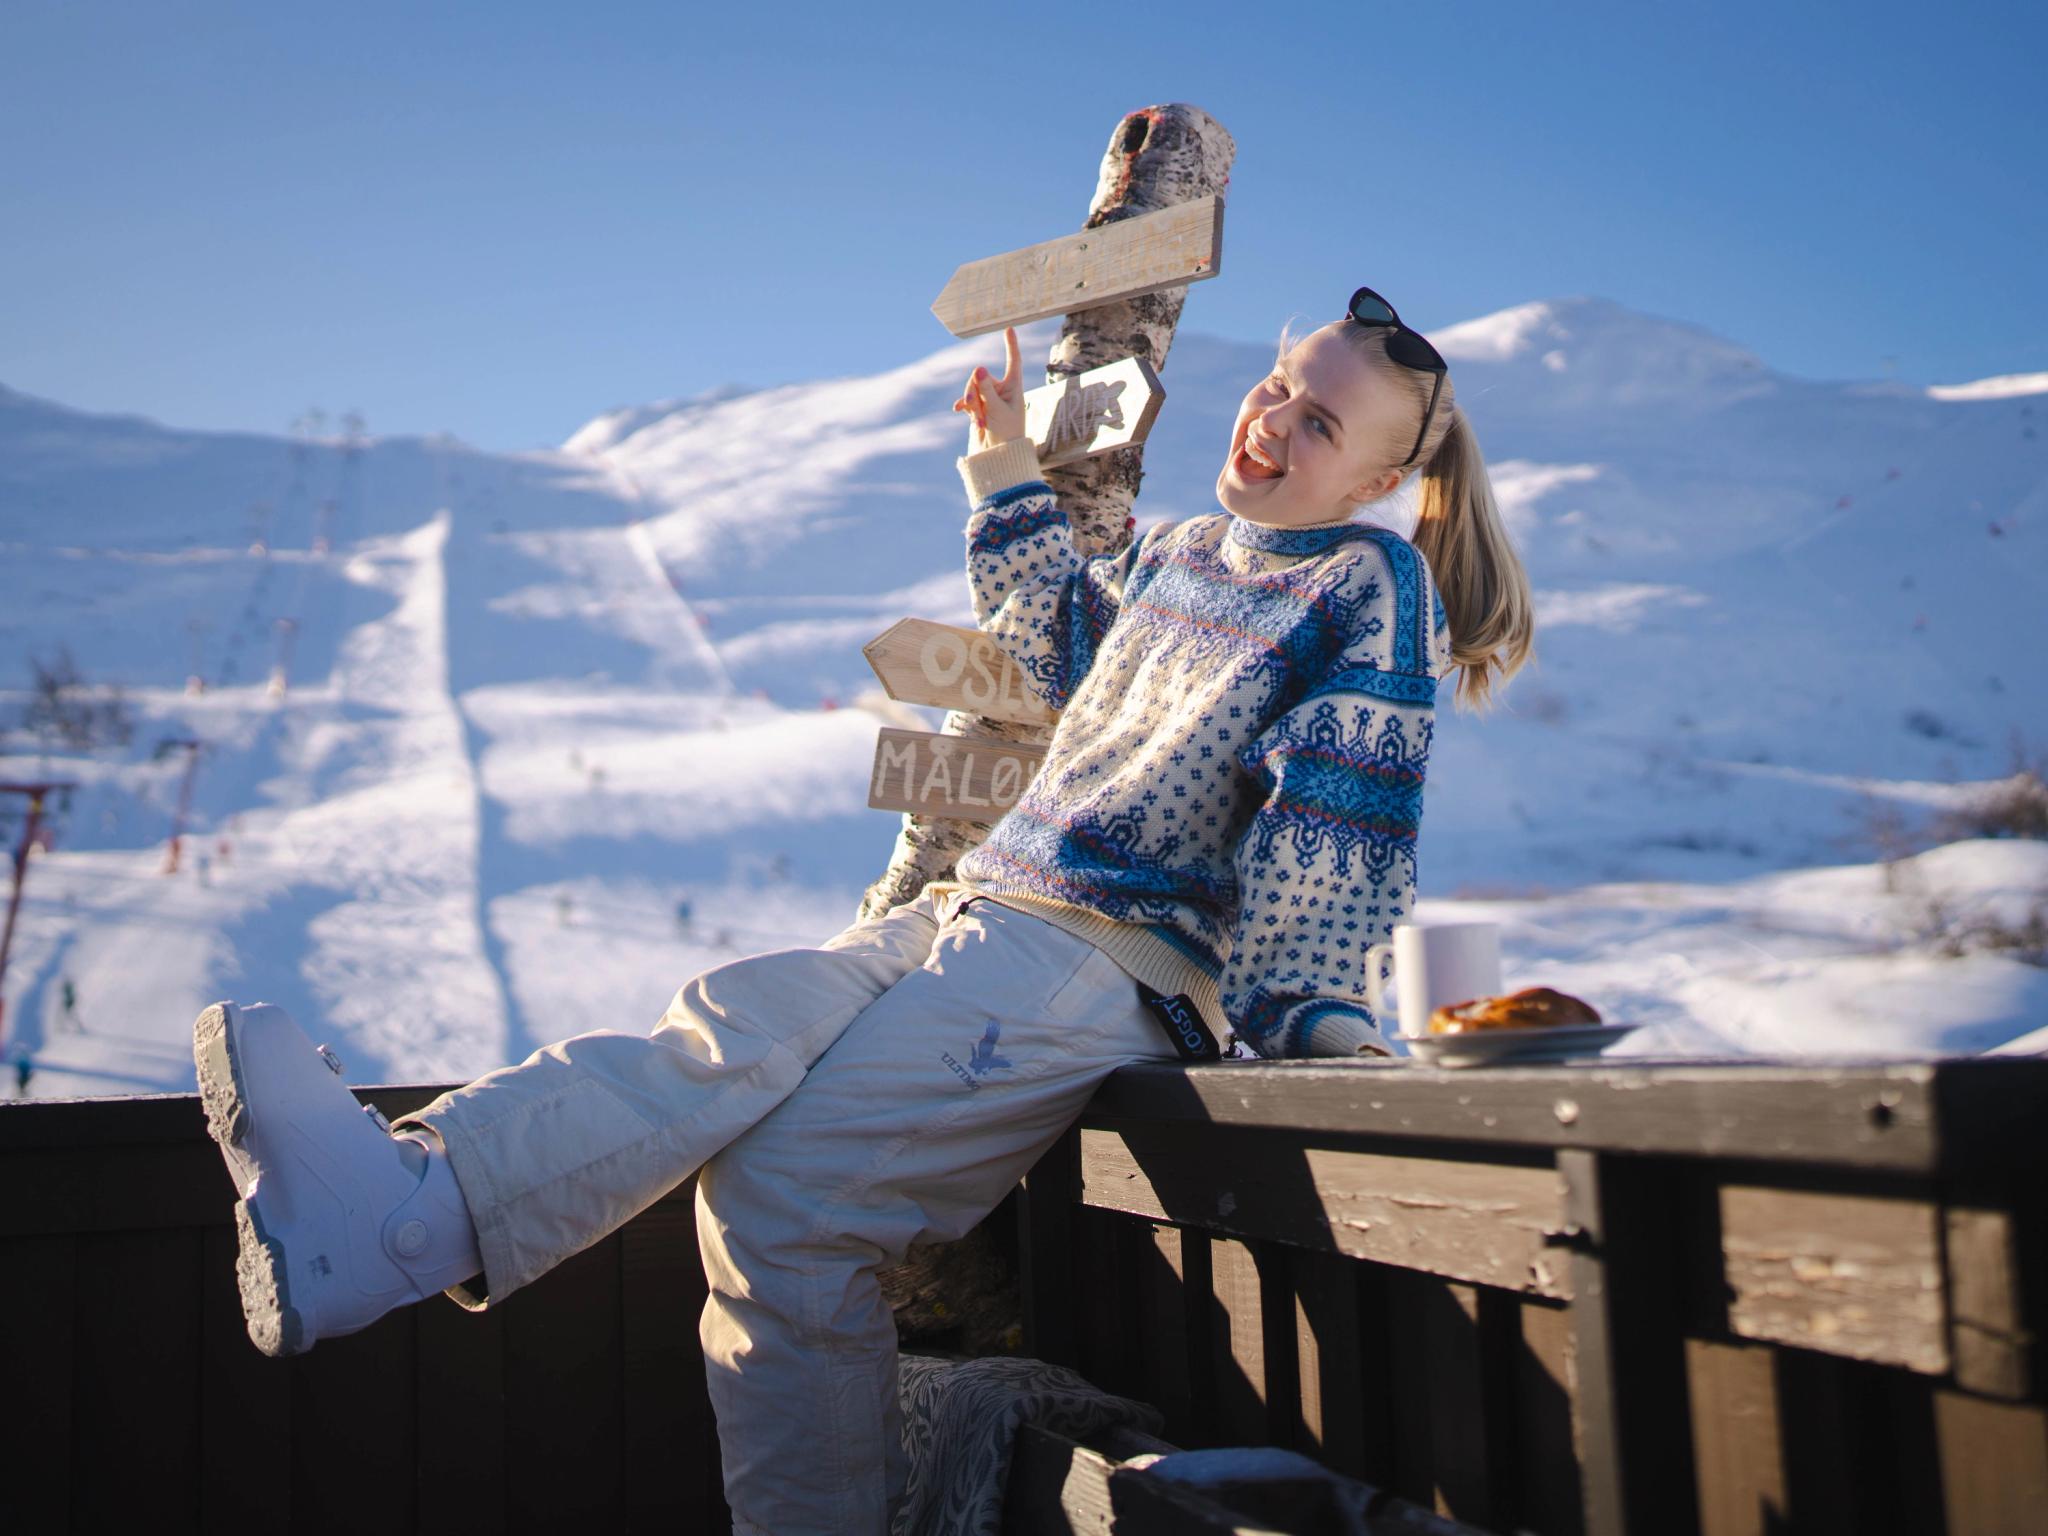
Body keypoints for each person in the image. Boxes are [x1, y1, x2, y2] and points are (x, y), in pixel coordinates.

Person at [192, 288, 1532, 1536]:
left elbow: (1340, 814)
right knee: (725, 1020)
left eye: (1321, 421)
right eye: (1281, 386)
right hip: (988, 914)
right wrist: (1004, 461)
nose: (1275, 420)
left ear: (1377, 481)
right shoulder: (1189, 553)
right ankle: (389, 1221)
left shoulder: (1366, 588)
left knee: (781, 1214)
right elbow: (1050, 640)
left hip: (1092, 967)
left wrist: (1306, 1014)